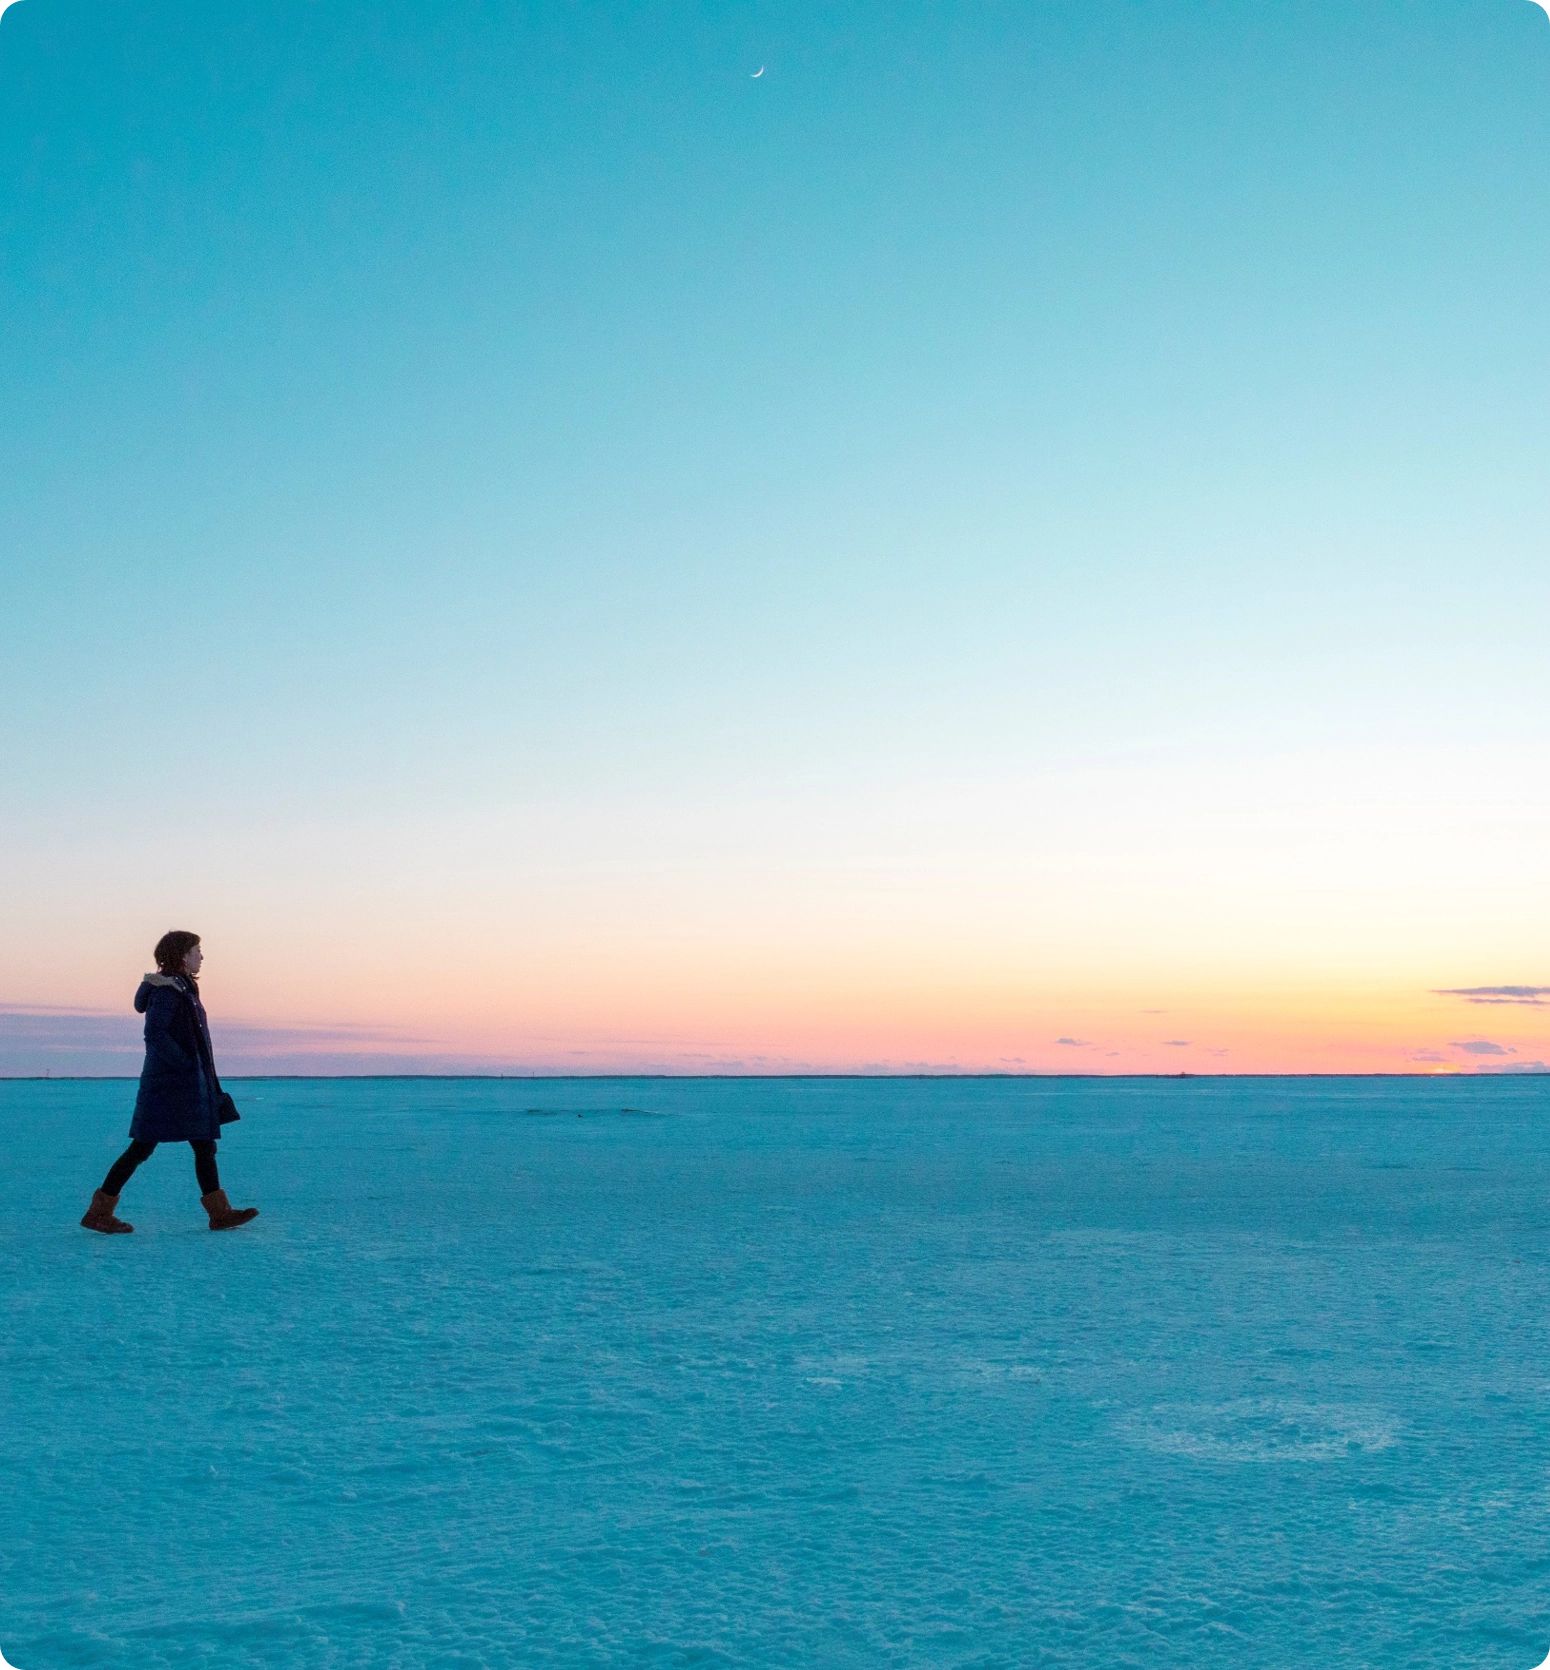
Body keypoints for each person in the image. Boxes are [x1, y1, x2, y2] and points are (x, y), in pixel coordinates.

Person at [80, 931, 259, 1234]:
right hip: (169, 1087)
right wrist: (185, 1064)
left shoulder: (183, 988)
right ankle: (99, 1213)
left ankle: (220, 1214)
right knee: (142, 1148)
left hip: (187, 1085)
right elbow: (155, 1034)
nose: (201, 956)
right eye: (197, 950)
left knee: (204, 1145)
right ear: (182, 956)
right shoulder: (167, 991)